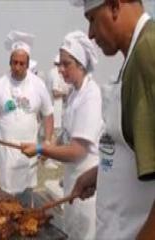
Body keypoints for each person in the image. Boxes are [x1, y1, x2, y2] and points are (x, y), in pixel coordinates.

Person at [69, 1, 155, 239]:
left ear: (115, 6)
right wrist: (100, 174)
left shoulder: (148, 53)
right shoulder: (134, 56)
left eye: (92, 19)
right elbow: (134, 145)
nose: (90, 33)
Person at [21, 31, 103, 240]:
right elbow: (68, 134)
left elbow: (77, 151)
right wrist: (51, 145)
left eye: (66, 65)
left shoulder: (91, 96)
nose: (61, 70)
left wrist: (41, 147)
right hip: (72, 182)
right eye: (60, 65)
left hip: (86, 188)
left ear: (81, 65)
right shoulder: (75, 93)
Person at [0, 30, 54, 199]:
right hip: (5, 156)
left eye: (22, 63)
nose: (17, 67)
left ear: (28, 65)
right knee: (4, 199)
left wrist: (48, 141)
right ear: (10, 62)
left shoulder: (38, 85)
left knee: (26, 199)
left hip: (29, 155)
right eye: (14, 63)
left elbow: (48, 114)